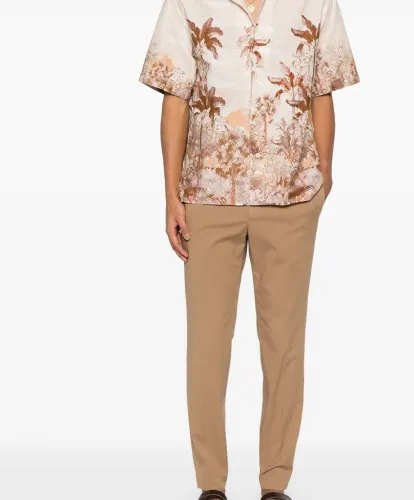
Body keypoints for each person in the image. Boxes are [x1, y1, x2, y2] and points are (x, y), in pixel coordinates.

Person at [139, 0, 359, 498]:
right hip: (207, 195)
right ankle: (211, 484)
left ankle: (275, 482)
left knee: (284, 343)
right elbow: (175, 97)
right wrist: (171, 194)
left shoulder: (316, 2)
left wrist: (322, 177)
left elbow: (322, 90)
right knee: (207, 344)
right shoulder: (186, 3)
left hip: (291, 196)